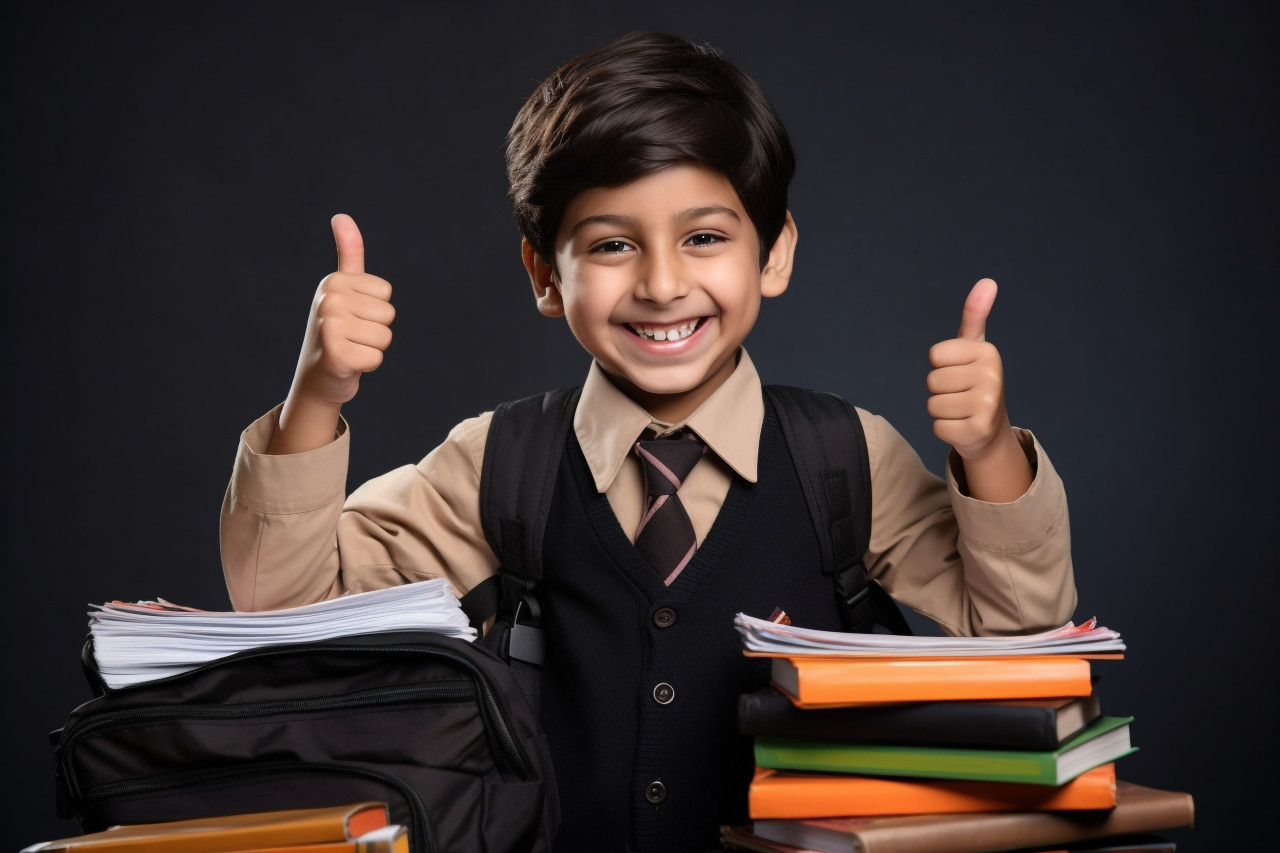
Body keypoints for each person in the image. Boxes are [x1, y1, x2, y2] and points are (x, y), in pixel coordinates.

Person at [220, 31, 1075, 852]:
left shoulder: (844, 456)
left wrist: (988, 450)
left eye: (704, 237)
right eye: (613, 244)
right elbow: (286, 615)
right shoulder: (498, 463)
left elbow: (1026, 634)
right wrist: (316, 395)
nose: (663, 284)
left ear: (774, 254)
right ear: (546, 276)